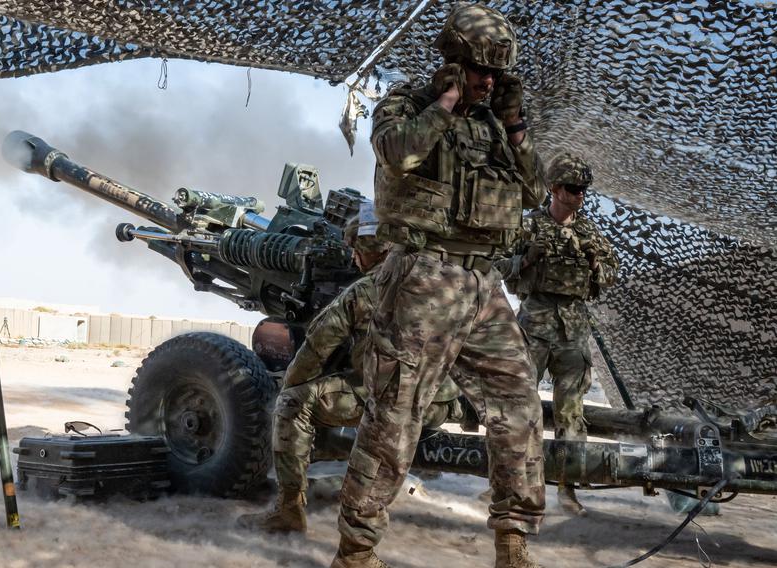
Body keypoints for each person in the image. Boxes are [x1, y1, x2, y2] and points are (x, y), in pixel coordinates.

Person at [331, 4, 547, 568]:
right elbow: (397, 153)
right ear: (453, 64)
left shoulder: (496, 125)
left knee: (519, 408)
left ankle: (513, 539)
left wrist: (517, 127)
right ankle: (356, 552)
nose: (489, 81)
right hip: (426, 278)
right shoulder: (410, 103)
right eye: (479, 70)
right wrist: (446, 104)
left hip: (484, 283)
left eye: (496, 74)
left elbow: (533, 193)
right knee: (396, 415)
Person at [237, 205, 462, 534]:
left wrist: (288, 387)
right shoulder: (446, 285)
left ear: (370, 249)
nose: (354, 258)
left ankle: (288, 511)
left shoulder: (366, 290)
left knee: (292, 404)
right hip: (437, 404)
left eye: (357, 250)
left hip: (389, 406)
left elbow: (313, 351)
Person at [499, 153, 619, 516]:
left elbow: (611, 274)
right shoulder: (528, 228)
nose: (579, 195)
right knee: (520, 407)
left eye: (583, 189)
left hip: (573, 328)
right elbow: (499, 264)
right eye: (572, 188)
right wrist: (526, 261)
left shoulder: (590, 234)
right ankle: (511, 486)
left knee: (571, 412)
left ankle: (567, 489)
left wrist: (598, 266)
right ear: (553, 188)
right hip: (535, 322)